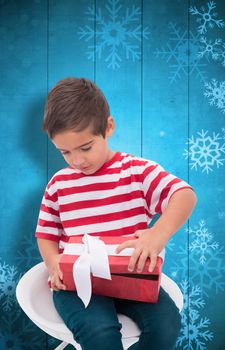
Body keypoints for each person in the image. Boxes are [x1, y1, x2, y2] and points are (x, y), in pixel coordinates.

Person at [36, 77, 197, 350]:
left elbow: (184, 195)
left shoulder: (136, 171)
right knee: (100, 334)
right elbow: (46, 233)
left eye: (85, 147)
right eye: (65, 152)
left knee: (167, 324)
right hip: (78, 281)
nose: (77, 161)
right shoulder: (59, 184)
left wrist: (157, 234)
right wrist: (53, 263)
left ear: (108, 127)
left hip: (130, 276)